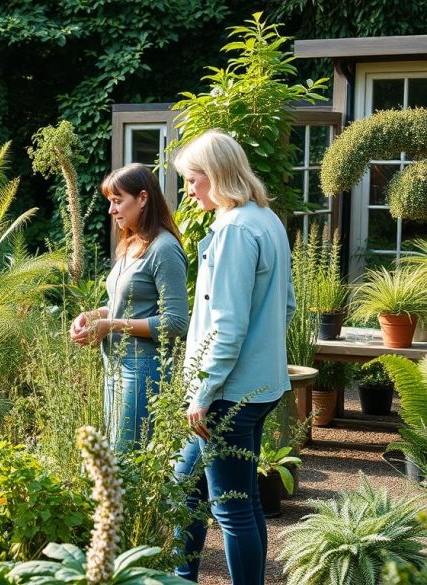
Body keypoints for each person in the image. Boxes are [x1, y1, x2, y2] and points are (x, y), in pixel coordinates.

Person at [171, 130, 295, 584]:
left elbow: (226, 325)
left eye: (193, 179)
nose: (188, 189)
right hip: (257, 386)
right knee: (186, 486)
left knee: (232, 509)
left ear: (217, 176)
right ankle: (181, 576)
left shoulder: (234, 230)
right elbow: (287, 305)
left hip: (226, 394)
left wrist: (202, 393)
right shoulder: (267, 220)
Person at [70, 163, 189, 452]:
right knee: (113, 453)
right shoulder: (131, 244)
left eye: (117, 200)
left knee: (126, 457)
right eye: (110, 202)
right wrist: (92, 315)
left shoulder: (164, 249)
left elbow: (175, 322)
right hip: (115, 364)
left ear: (143, 198)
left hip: (143, 371)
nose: (111, 210)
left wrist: (110, 326)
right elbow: (121, 306)